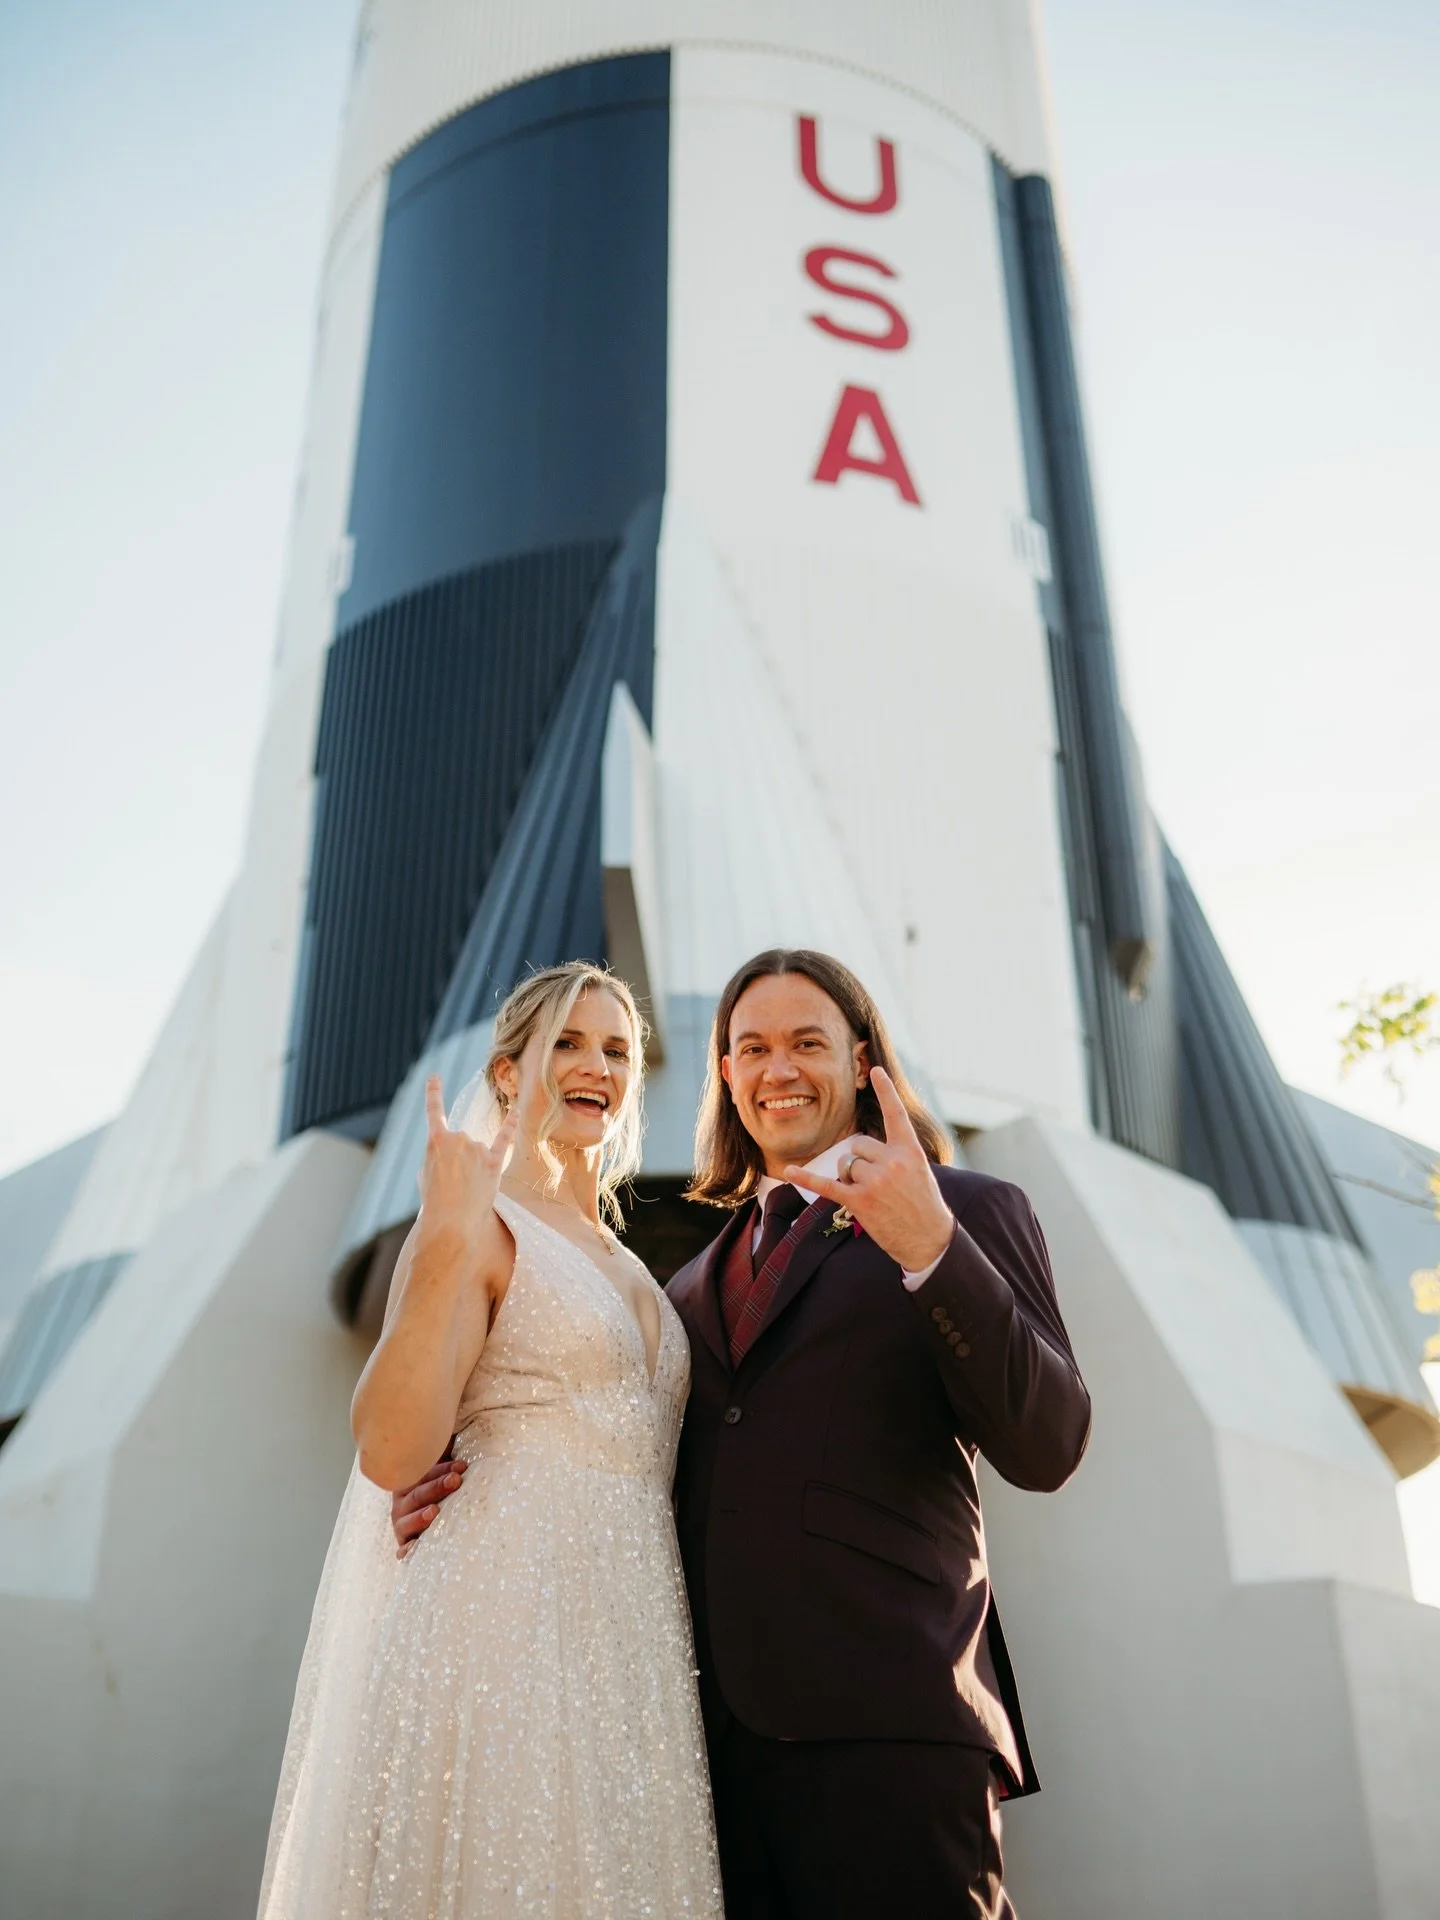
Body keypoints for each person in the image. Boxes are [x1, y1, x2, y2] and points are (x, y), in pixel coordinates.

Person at [399, 947, 1092, 1920]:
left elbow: (1050, 1442)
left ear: (861, 1061)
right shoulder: (687, 1288)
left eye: (808, 1042)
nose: (779, 1069)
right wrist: (454, 1482)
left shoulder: (967, 1209)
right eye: (753, 1048)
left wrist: (932, 1249)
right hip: (710, 1760)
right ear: (725, 1073)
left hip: (891, 1730)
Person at [258, 962, 723, 1919]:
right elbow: (393, 1450)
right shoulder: (479, 1229)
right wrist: (442, 1234)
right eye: (568, 1043)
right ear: (509, 1073)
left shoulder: (633, 1265)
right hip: (503, 1616)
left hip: (633, 1632)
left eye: (617, 1050)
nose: (597, 1066)